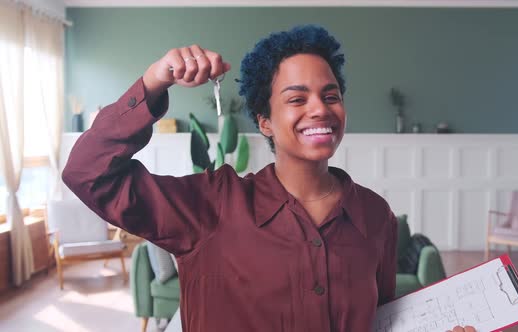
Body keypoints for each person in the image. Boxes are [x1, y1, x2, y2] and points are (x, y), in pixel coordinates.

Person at [62, 25, 474, 332]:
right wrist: (155, 80)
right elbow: (89, 172)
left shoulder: (374, 214)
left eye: (330, 96)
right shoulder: (209, 206)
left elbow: (382, 322)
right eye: (297, 99)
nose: (320, 109)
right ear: (265, 122)